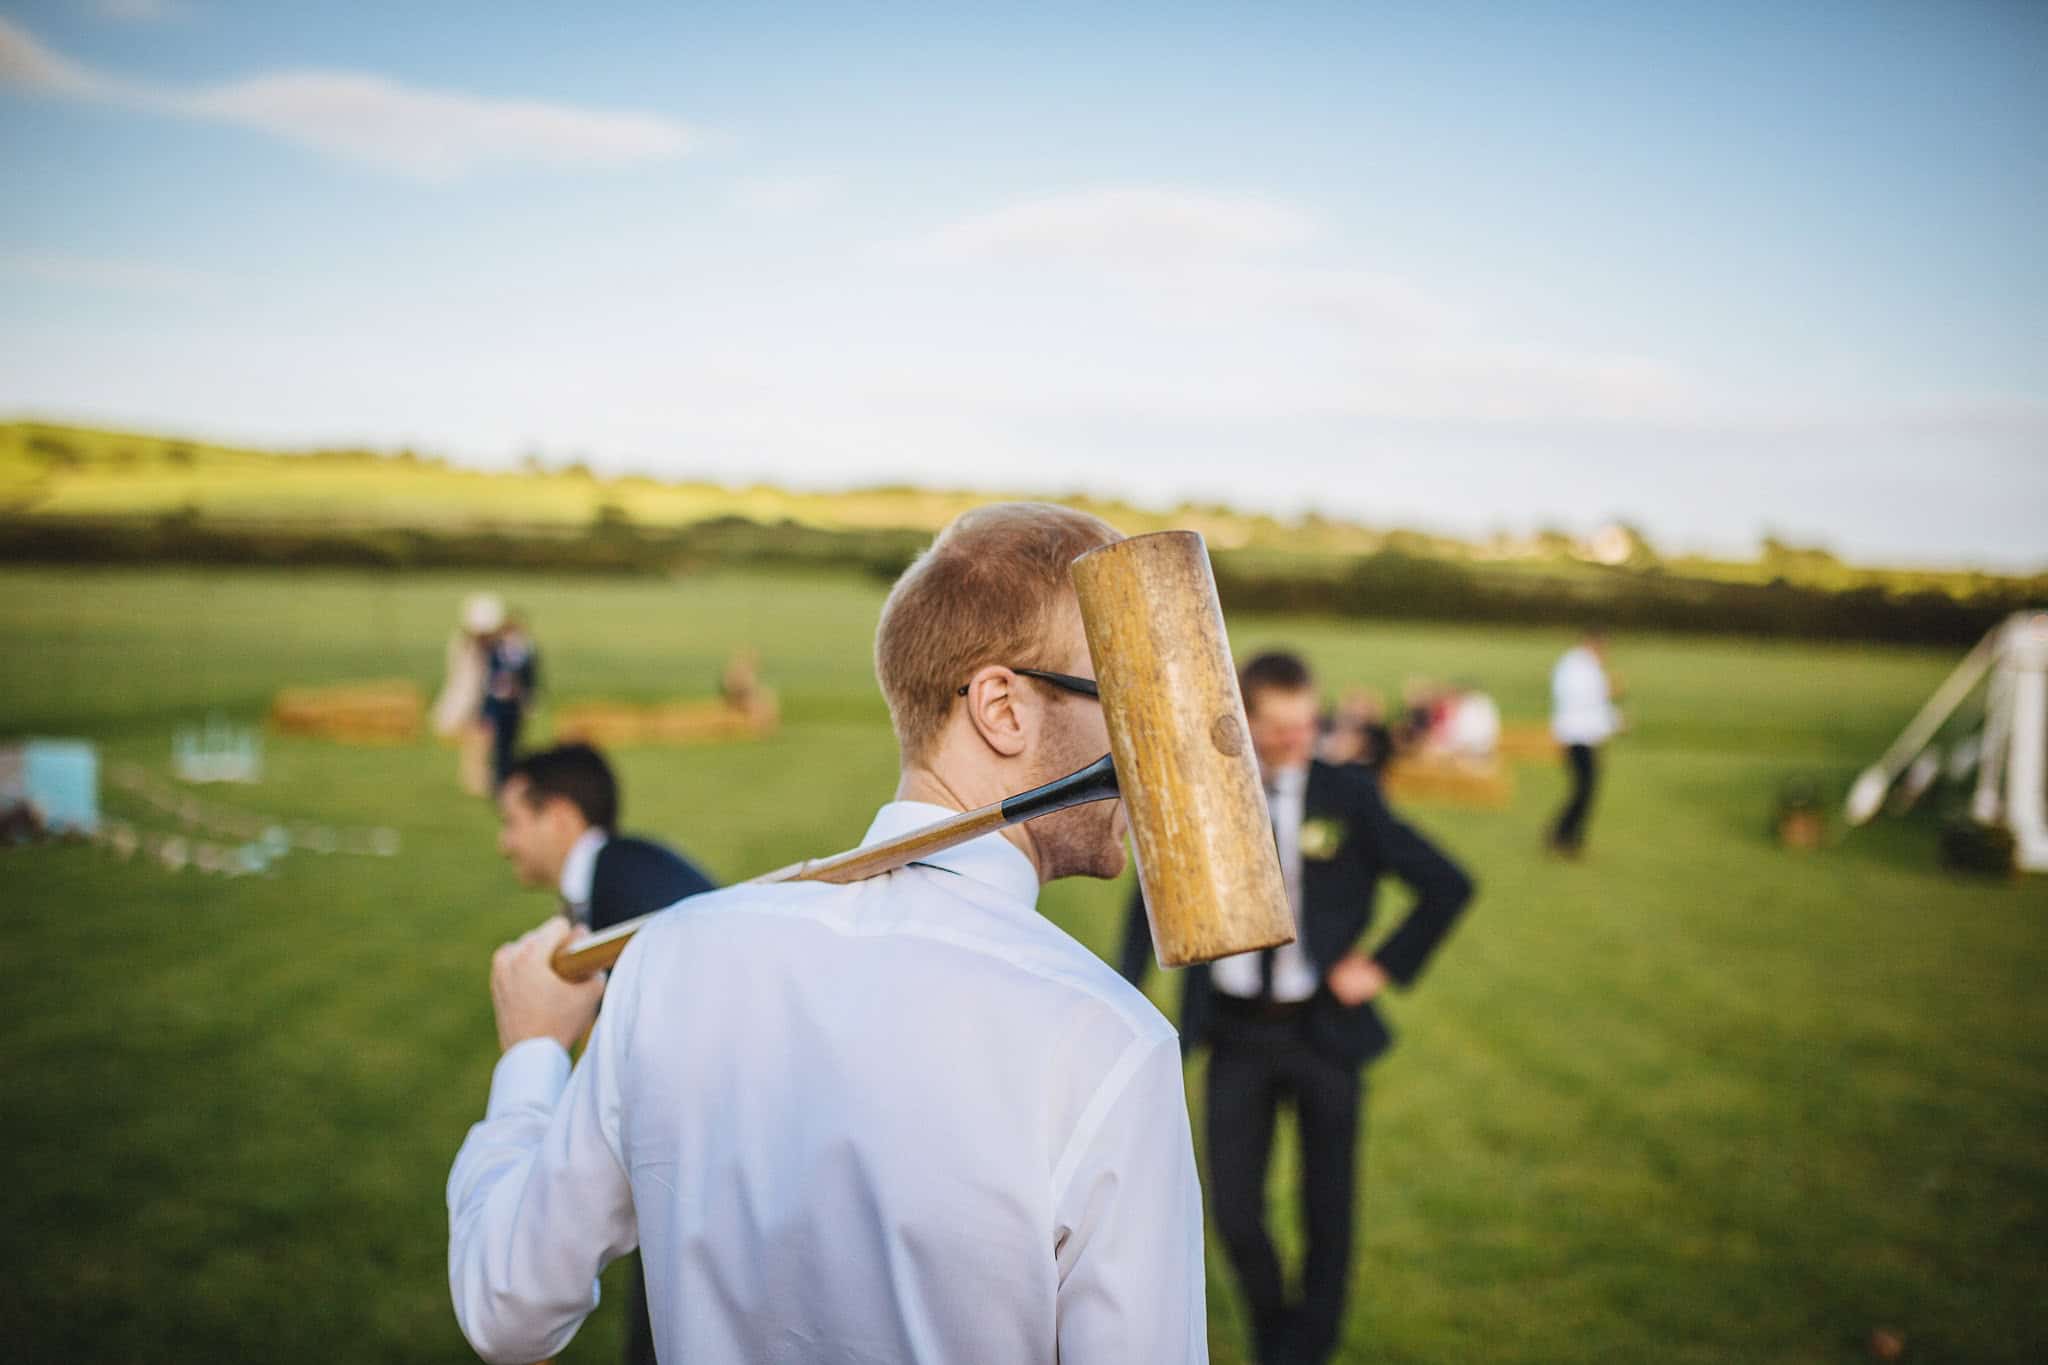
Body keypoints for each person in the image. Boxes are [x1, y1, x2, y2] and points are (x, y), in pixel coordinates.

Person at [449, 504, 1207, 1365]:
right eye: (1125, 695)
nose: (1157, 745)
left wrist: (531, 1057)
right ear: (1002, 708)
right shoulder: (1111, 1044)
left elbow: (504, 1303)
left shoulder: (676, 958)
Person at [1117, 651, 1473, 1365]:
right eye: (1277, 725)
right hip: (1235, 1032)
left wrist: (1377, 966)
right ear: (1240, 718)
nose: (1295, 739)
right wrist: (1123, 998)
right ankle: (1281, 1334)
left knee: (1328, 1209)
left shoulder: (1349, 793)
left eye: (1306, 723)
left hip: (1323, 1032)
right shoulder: (1207, 790)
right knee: (1237, 1213)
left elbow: (1447, 882)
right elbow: (1148, 903)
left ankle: (1300, 1351)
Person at [493, 741, 716, 1365]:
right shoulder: (623, 871)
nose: (505, 843)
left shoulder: (627, 887)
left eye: (512, 822)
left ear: (560, 817)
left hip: (709, 1143)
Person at [1548, 629, 1621, 857]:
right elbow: (1582, 702)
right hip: (1575, 735)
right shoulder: (1575, 667)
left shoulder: (1586, 668)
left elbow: (1595, 705)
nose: (1605, 653)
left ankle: (1568, 837)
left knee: (1585, 789)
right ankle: (1564, 836)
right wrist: (1607, 692)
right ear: (1592, 643)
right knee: (1584, 789)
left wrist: (1613, 721)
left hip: (1585, 736)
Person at [433, 593, 502, 796]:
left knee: (483, 740)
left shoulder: (480, 648)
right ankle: (476, 782)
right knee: (479, 739)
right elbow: (472, 688)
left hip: (474, 708)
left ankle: (480, 779)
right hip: (464, 708)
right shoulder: (467, 648)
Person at [481, 611, 539, 792]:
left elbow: (530, 678)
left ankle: (510, 778)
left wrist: (529, 699)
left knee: (514, 744)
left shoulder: (525, 653)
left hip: (515, 704)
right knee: (499, 745)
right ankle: (499, 780)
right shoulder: (496, 650)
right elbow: (488, 676)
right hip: (499, 704)